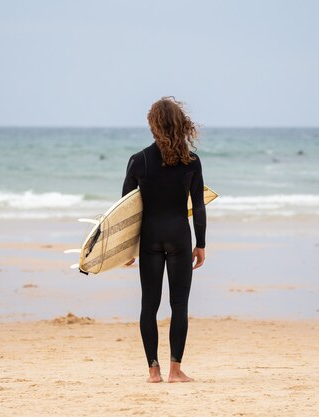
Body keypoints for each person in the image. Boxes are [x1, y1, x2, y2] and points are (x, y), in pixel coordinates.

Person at [122, 96, 206, 383]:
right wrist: (201, 244)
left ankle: (153, 372)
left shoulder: (138, 160)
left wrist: (125, 249)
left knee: (149, 304)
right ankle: (175, 370)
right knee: (179, 304)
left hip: (150, 238)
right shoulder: (191, 161)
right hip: (179, 237)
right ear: (180, 124)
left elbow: (126, 213)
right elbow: (199, 206)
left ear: (153, 125)